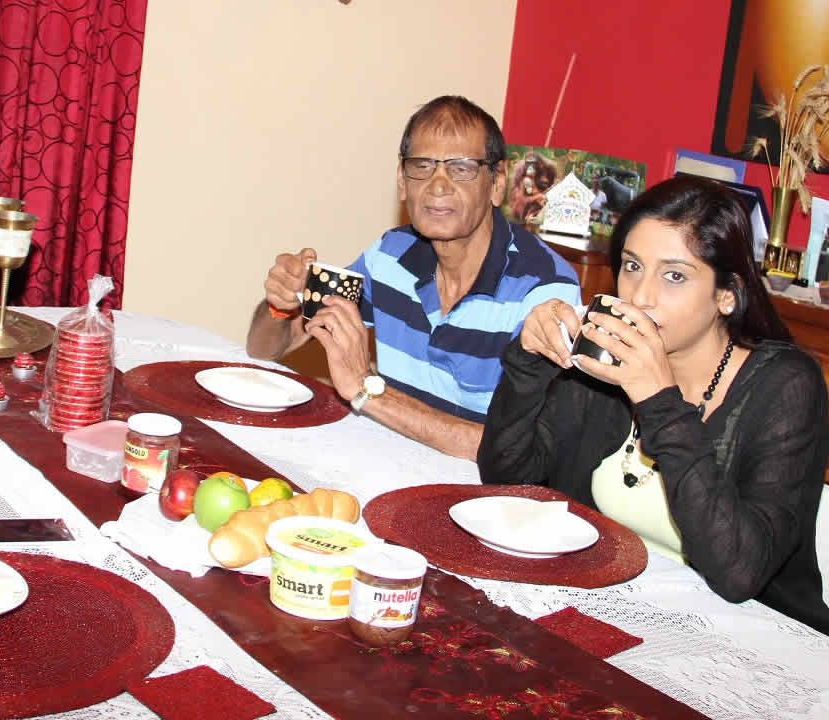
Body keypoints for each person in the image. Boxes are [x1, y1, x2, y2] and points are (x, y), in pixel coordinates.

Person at [478, 175, 829, 634]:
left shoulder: (786, 386)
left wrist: (657, 399)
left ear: (727, 294)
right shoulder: (605, 358)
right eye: (631, 266)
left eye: (675, 276)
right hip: (614, 608)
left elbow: (739, 572)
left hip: (752, 637)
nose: (640, 297)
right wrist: (530, 361)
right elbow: (506, 479)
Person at [247, 96, 580, 460]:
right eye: (421, 166)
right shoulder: (389, 255)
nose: (438, 185)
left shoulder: (545, 290)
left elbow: (514, 453)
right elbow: (265, 349)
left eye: (461, 168)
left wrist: (368, 391)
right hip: (391, 465)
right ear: (402, 181)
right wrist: (282, 307)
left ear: (497, 183)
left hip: (485, 500)